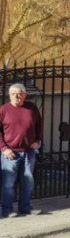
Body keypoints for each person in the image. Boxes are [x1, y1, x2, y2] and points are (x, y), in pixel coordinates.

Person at [0, 84, 43, 217]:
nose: (16, 96)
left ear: (24, 95)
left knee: (28, 180)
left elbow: (39, 125)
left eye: (19, 93)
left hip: (28, 151)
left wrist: (37, 140)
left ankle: (25, 207)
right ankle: (7, 209)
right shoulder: (3, 110)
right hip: (10, 152)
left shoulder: (32, 108)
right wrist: (4, 148)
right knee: (8, 182)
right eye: (13, 94)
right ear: (9, 95)